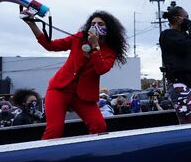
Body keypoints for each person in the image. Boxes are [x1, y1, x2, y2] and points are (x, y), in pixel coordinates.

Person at [23, 10, 127, 139]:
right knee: (54, 130)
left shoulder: (111, 50)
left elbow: (101, 69)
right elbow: (51, 46)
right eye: (93, 23)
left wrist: (95, 45)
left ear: (109, 28)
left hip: (84, 96)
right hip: (60, 89)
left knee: (99, 126)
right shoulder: (78, 38)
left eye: (101, 24)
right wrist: (32, 24)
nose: (96, 26)